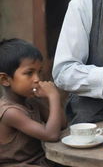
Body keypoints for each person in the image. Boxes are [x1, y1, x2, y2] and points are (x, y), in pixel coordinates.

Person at [0, 38, 66, 167]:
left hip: (40, 161)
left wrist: (47, 98)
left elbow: (62, 124)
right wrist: (54, 97)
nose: (37, 79)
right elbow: (51, 135)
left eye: (39, 72)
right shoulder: (9, 112)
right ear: (5, 79)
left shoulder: (32, 101)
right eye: (29, 73)